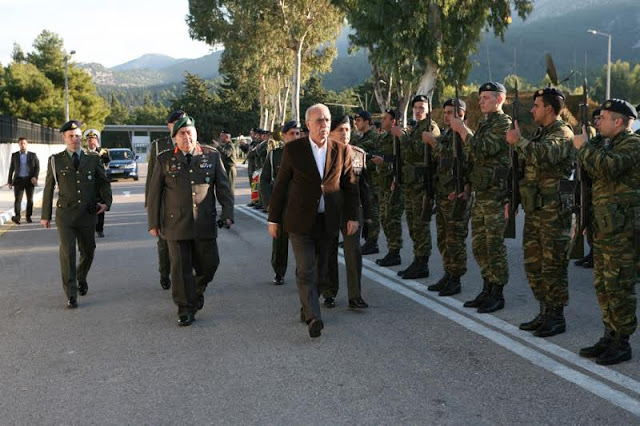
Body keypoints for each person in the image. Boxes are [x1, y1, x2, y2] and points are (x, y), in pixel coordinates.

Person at [268, 104, 360, 338]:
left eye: (327, 120)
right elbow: (280, 186)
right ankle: (313, 317)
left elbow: (350, 187)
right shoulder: (294, 150)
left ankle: (307, 306)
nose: (324, 125)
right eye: (319, 120)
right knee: (306, 268)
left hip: (328, 220)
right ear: (308, 124)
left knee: (322, 271)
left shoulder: (340, 149)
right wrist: (273, 219)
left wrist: (352, 217)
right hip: (299, 221)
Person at [147, 116, 234, 326]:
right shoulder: (164, 159)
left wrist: (228, 213)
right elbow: (154, 193)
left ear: (196, 134)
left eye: (190, 132)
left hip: (204, 221)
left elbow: (223, 187)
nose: (187, 137)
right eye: (182, 133)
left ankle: (196, 291)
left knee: (210, 265)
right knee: (179, 268)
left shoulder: (211, 156)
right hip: (174, 223)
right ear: (174, 137)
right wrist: (153, 223)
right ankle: (184, 308)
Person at [573, 99, 639, 365]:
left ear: (619, 122)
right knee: (603, 285)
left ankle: (622, 343)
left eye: (603, 118)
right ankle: (609, 335)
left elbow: (607, 167)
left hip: (623, 231)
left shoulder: (633, 144)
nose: (598, 122)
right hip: (604, 227)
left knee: (619, 286)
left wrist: (585, 147)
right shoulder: (606, 144)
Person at [506, 88, 575, 337]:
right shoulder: (540, 133)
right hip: (535, 208)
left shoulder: (562, 132)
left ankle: (556, 316)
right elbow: (524, 168)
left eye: (536, 105)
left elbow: (544, 156)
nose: (532, 110)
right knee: (533, 263)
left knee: (552, 265)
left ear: (549, 108)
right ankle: (545, 310)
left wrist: (519, 141)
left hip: (554, 211)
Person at [450, 82, 511, 313]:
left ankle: (497, 293)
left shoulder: (503, 124)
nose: (481, 101)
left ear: (500, 100)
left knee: (494, 245)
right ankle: (487, 288)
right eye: (481, 97)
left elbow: (481, 149)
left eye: (486, 97)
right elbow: (473, 158)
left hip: (495, 194)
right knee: (479, 245)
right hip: (481, 192)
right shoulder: (486, 124)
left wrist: (463, 130)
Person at [41, 120, 112, 308]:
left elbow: (104, 182)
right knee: (68, 253)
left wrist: (106, 203)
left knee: (88, 251)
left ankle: (81, 276)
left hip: (87, 215)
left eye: (78, 136)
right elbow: (48, 188)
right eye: (71, 136)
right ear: (64, 138)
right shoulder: (56, 160)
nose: (75, 139)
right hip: (65, 215)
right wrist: (45, 215)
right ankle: (71, 293)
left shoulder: (93, 158)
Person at [320, 115, 370, 309]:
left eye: (348, 130)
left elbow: (364, 188)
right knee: (329, 251)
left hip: (352, 211)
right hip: (329, 210)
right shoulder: (322, 155)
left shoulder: (358, 154)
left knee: (353, 252)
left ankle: (355, 296)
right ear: (331, 133)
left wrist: (368, 217)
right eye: (340, 130)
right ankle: (329, 292)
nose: (344, 134)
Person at [423, 98, 471, 297]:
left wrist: (432, 143)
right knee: (443, 239)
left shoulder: (464, 136)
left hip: (456, 195)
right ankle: (448, 273)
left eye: (451, 112)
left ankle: (456, 278)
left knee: (455, 240)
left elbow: (463, 162)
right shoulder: (446, 136)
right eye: (444, 112)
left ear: (461, 115)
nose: (446, 116)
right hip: (442, 194)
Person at [390, 95, 440, 279]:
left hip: (422, 185)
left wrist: (402, 136)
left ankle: (423, 263)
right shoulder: (416, 128)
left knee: (420, 225)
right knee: (412, 225)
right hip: (412, 185)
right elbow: (406, 156)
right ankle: (417, 260)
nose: (418, 111)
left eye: (421, 107)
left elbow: (417, 151)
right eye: (415, 108)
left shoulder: (430, 128)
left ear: (429, 108)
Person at [145, 110, 187, 290]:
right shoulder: (158, 146)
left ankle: (185, 275)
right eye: (176, 123)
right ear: (169, 126)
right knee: (163, 242)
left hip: (183, 201)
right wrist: (150, 202)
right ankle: (165, 272)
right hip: (163, 201)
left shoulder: (190, 141)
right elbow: (151, 176)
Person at [259, 120, 299, 286]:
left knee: (302, 243)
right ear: (284, 136)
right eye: (292, 133)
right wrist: (268, 202)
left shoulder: (307, 153)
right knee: (280, 241)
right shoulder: (274, 155)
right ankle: (279, 271)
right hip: (281, 204)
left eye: (298, 133)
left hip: (300, 204)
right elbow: (265, 180)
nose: (295, 136)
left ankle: (302, 274)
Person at [373, 109, 405, 267]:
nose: (382, 121)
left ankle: (395, 252)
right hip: (383, 185)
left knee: (392, 219)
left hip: (394, 185)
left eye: (385, 118)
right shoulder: (384, 137)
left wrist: (384, 163)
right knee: (385, 219)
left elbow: (401, 161)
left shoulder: (399, 137)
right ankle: (391, 250)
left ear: (393, 121)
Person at [575, 109, 602, 269]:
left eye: (601, 118)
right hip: (589, 187)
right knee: (588, 221)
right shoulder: (596, 139)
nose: (598, 121)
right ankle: (592, 252)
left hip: (599, 189)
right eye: (596, 118)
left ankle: (595, 254)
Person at [354, 110, 381, 255]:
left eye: (359, 120)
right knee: (364, 210)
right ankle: (366, 239)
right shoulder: (360, 138)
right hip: (363, 181)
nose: (356, 122)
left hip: (372, 181)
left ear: (367, 121)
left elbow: (375, 159)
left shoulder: (375, 138)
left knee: (373, 213)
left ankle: (372, 242)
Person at [84, 129, 110, 238]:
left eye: (93, 139)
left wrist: (99, 153)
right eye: (89, 139)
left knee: (100, 206)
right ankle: (89, 228)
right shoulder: (83, 152)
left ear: (97, 140)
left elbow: (106, 166)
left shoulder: (103, 152)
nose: (91, 142)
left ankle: (100, 229)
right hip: (87, 183)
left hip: (99, 183)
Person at [8, 137, 39, 224]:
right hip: (18, 180)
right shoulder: (15, 155)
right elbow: (11, 168)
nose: (22, 145)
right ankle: (17, 217)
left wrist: (35, 177)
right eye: (21, 143)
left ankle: (28, 216)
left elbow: (37, 167)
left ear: (27, 144)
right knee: (18, 199)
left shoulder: (33, 155)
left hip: (29, 180)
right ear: (18, 144)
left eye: (24, 143)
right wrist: (10, 181)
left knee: (30, 199)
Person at [217, 129, 237, 195]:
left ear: (227, 137)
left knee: (230, 188)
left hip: (230, 168)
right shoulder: (226, 145)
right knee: (226, 187)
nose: (221, 138)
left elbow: (226, 153)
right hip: (226, 168)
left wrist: (218, 147)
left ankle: (230, 203)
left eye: (222, 136)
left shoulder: (230, 145)